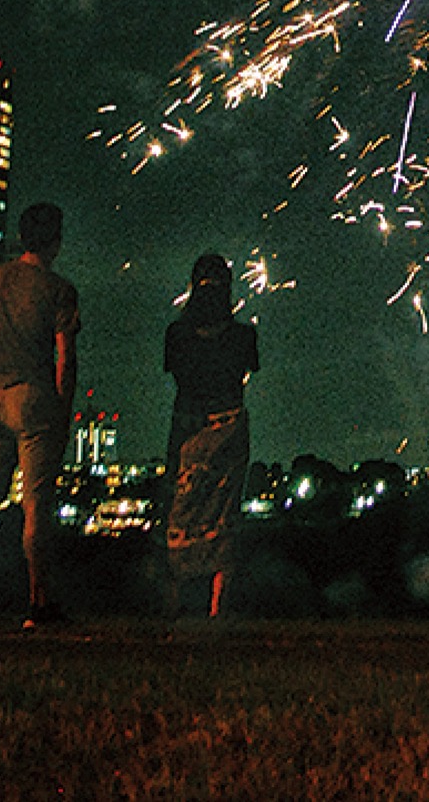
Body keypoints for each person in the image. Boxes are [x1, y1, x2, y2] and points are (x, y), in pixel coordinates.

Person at [0, 201, 79, 628]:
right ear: (55, 240)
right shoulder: (58, 288)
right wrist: (63, 410)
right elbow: (65, 357)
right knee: (35, 507)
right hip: (33, 397)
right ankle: (37, 602)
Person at [164, 254, 259, 618]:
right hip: (231, 427)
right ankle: (217, 607)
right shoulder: (244, 335)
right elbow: (244, 373)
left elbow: (178, 376)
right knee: (223, 514)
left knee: (178, 508)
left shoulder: (177, 334)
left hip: (188, 427)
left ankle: (172, 601)